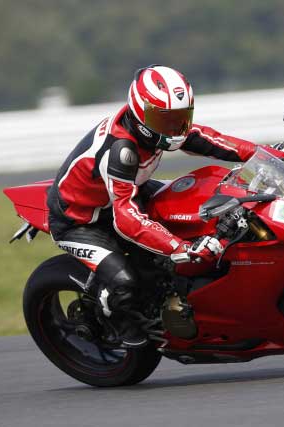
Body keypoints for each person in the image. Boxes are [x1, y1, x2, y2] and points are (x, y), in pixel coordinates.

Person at [47, 65, 263, 348]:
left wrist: (263, 154)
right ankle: (113, 316)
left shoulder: (159, 129)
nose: (174, 127)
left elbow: (211, 140)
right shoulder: (121, 150)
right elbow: (125, 216)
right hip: (81, 220)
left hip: (126, 191)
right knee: (124, 281)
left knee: (199, 209)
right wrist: (179, 248)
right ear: (140, 112)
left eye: (180, 118)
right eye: (164, 119)